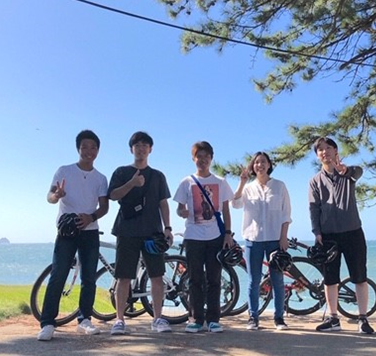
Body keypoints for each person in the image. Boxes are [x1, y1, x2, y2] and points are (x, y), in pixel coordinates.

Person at [37, 130, 109, 341]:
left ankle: (84, 319)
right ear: (78, 148)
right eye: (84, 146)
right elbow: (50, 197)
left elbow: (104, 207)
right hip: (67, 232)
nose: (89, 151)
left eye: (93, 147)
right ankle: (47, 323)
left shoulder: (101, 178)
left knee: (89, 278)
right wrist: (56, 195)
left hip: (90, 232)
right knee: (58, 274)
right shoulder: (64, 171)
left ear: (98, 150)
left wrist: (91, 217)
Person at [108, 131, 173, 335]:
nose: (141, 149)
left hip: (152, 232)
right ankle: (119, 320)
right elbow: (112, 195)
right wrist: (132, 183)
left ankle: (157, 318)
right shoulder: (121, 172)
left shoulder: (158, 176)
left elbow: (163, 203)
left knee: (157, 275)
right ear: (131, 149)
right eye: (137, 145)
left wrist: (168, 228)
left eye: (145, 145)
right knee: (123, 277)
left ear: (150, 149)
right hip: (126, 230)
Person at [309, 136, 374, 334]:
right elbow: (314, 208)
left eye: (328, 148)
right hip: (328, 236)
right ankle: (333, 319)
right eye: (320, 149)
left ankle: (362, 319)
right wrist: (316, 232)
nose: (325, 152)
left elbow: (359, 171)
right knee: (330, 279)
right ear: (317, 155)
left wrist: (346, 170)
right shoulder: (315, 181)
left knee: (359, 276)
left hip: (353, 232)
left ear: (336, 151)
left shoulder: (348, 174)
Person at [173, 141, 234, 334]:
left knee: (214, 279)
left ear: (211, 159)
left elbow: (226, 210)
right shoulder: (186, 182)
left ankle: (214, 319)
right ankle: (196, 319)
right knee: (195, 279)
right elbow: (179, 208)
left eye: (206, 156)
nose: (203, 160)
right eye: (199, 156)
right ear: (194, 159)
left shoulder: (220, 182)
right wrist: (182, 212)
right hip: (193, 236)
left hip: (215, 236)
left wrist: (228, 234)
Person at [233, 152, 292, 331]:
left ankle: (279, 318)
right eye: (257, 162)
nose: (260, 165)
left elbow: (286, 214)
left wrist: (283, 237)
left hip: (275, 240)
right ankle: (253, 317)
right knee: (254, 280)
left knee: (277, 280)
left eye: (263, 162)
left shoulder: (279, 186)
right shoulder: (248, 188)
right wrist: (242, 182)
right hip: (253, 239)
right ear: (253, 166)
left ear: (269, 165)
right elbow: (235, 204)